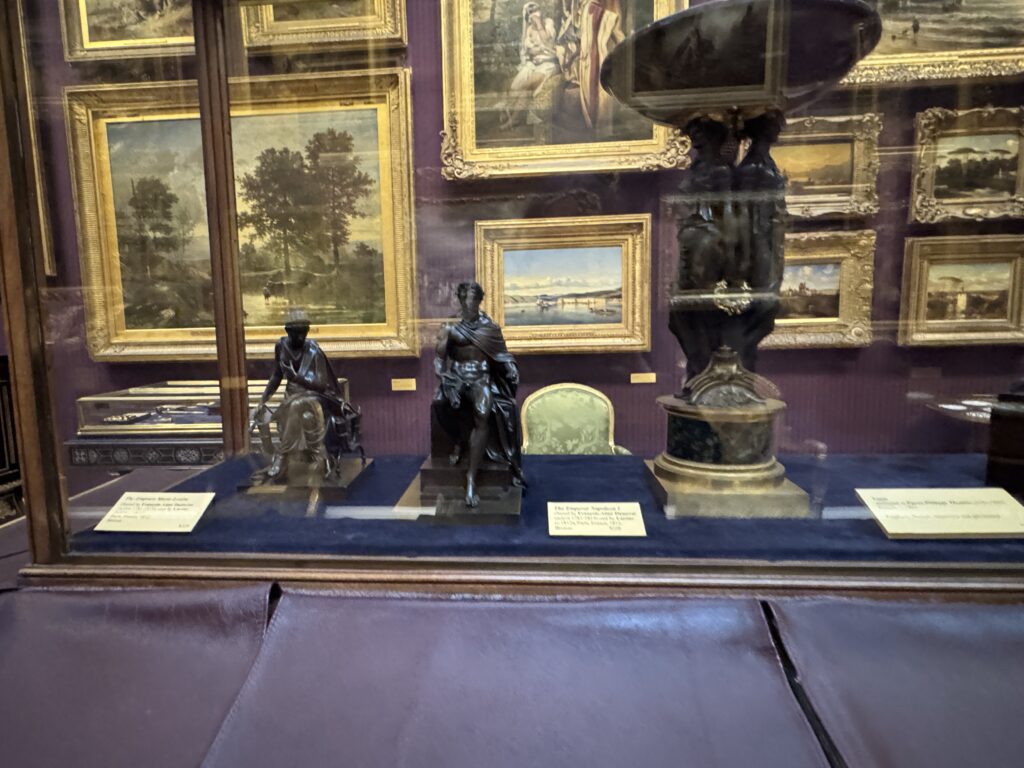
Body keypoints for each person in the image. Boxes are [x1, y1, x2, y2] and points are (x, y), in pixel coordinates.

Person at [433, 282, 524, 507]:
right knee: (439, 403)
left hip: (480, 378)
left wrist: (510, 368)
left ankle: (471, 477)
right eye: (464, 300)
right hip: (456, 377)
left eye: (472, 300)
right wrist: (444, 378)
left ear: (479, 301)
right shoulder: (450, 327)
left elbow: (502, 355)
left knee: (483, 413)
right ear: (459, 300)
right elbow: (439, 360)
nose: (468, 304)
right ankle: (459, 440)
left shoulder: (490, 328)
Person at [251, 310, 358, 483]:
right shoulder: (281, 346)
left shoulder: (314, 350)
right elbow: (277, 375)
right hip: (291, 396)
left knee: (296, 405)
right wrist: (263, 400)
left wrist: (296, 377)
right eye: (296, 333)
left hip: (314, 397)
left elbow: (321, 384)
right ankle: (298, 456)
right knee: (298, 411)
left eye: (304, 332)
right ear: (288, 332)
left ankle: (281, 456)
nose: (301, 337)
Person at [499, 3, 561, 131]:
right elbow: (528, 49)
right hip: (533, 63)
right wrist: (536, 50)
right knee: (515, 86)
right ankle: (510, 113)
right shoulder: (529, 29)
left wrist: (539, 25)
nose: (534, 14)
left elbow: (547, 40)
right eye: (530, 12)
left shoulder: (548, 23)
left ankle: (513, 120)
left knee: (527, 85)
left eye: (536, 10)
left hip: (548, 64)